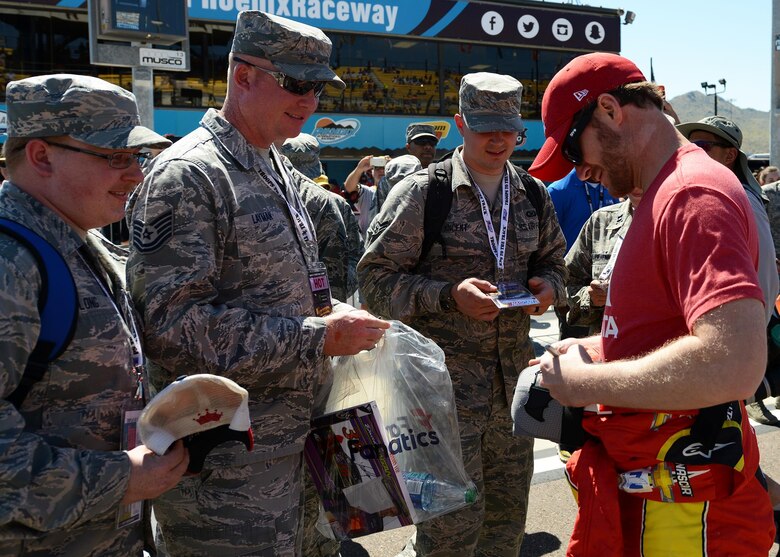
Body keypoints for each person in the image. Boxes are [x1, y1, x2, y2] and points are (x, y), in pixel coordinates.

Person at [126, 11, 390, 556]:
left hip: (297, 456)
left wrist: (339, 318)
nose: (311, 101)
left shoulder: (273, 166)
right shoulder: (190, 175)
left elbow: (288, 293)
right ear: (242, 76)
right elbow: (170, 326)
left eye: (319, 87)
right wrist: (317, 337)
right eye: (296, 83)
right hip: (227, 481)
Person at [529, 52, 774, 556]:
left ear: (610, 110)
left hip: (686, 507)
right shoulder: (664, 191)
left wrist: (584, 382)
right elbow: (667, 327)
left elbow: (734, 362)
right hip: (668, 489)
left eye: (576, 150)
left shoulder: (690, 193)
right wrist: (597, 348)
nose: (582, 172)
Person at [359, 72, 566, 557]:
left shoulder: (532, 194)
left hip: (511, 397)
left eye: (508, 129)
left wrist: (548, 287)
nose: (497, 140)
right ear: (459, 125)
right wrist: (449, 295)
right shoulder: (421, 195)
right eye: (484, 127)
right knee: (449, 535)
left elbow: (555, 261)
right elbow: (372, 284)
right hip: (440, 401)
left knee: (505, 529)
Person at [0, 74, 188, 556]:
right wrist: (118, 479)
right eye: (115, 157)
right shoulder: (11, 262)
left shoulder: (79, 240)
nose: (136, 175)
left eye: (136, 158)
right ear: (41, 156)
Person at [677, 115, 780, 425]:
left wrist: (741, 347)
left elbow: (763, 279)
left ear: (729, 155)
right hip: (710, 354)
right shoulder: (710, 195)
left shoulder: (741, 199)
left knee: (723, 458)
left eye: (702, 146)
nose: (692, 152)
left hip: (723, 356)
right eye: (689, 146)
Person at [281, 132, 362, 301]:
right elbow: (357, 255)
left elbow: (355, 255)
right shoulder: (336, 202)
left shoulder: (334, 203)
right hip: (324, 301)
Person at [564, 192, 640, 336]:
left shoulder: (681, 220)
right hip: (607, 345)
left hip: (662, 349)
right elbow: (568, 279)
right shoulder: (601, 220)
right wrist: (590, 297)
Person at [344, 154, 389, 235]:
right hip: (369, 244)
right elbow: (349, 188)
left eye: (385, 168)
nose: (381, 171)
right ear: (372, 172)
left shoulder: (396, 191)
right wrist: (359, 168)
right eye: (377, 168)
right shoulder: (368, 191)